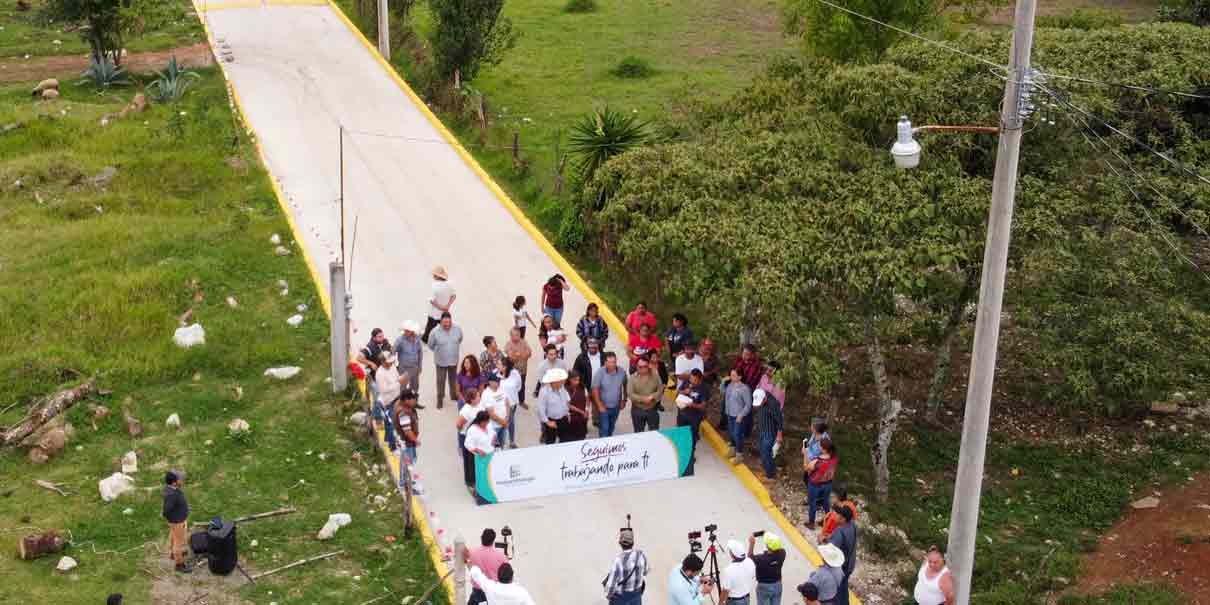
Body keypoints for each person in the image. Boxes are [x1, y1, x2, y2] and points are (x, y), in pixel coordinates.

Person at [603, 528, 649, 605]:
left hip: (620, 599)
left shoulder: (618, 561)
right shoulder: (641, 555)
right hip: (636, 597)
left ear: (620, 543)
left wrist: (608, 594)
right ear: (633, 542)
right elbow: (646, 571)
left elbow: (610, 588)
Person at [427, 312, 463, 409]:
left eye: (449, 323)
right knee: (440, 380)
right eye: (445, 323)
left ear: (451, 321)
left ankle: (453, 395)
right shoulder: (434, 332)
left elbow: (460, 339)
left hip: (453, 360)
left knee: (453, 379)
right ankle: (440, 398)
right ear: (441, 322)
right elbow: (430, 345)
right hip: (441, 361)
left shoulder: (458, 329)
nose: (447, 325)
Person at [677, 369, 709, 475]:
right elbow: (678, 392)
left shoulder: (704, 389)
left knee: (692, 436)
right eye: (690, 378)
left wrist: (692, 405)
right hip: (682, 414)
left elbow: (703, 407)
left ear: (699, 379)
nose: (692, 381)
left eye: (694, 380)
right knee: (681, 435)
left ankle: (690, 456)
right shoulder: (687, 383)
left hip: (694, 417)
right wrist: (684, 392)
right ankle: (682, 454)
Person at [464, 528, 509, 605]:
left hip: (477, 592)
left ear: (481, 538)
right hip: (493, 592)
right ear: (493, 540)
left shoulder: (472, 552)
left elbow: (464, 557)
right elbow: (507, 574)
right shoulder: (501, 556)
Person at [593, 351, 629, 437]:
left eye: (614, 362)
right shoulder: (600, 373)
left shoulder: (622, 372)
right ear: (605, 363)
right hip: (604, 407)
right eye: (610, 362)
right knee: (604, 428)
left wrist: (624, 400)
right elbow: (595, 389)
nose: (613, 364)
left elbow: (625, 385)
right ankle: (603, 445)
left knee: (611, 427)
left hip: (616, 407)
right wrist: (599, 405)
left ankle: (609, 443)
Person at [827, 505, 858, 605]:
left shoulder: (839, 532)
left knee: (838, 590)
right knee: (843, 587)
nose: (835, 516)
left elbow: (830, 551)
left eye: (838, 515)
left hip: (841, 567)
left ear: (843, 519)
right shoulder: (853, 525)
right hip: (850, 564)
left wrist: (822, 541)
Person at [804, 439, 838, 530]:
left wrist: (805, 454)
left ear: (824, 449)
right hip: (828, 484)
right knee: (825, 501)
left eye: (820, 445)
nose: (818, 447)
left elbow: (806, 468)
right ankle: (828, 520)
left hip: (815, 485)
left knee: (813, 503)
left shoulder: (817, 461)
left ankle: (811, 523)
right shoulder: (834, 458)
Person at [162, 470, 190, 573]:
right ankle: (179, 564)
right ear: (174, 482)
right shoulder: (172, 495)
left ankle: (172, 554)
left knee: (174, 536)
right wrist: (174, 520)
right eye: (180, 479)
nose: (182, 480)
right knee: (179, 543)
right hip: (177, 522)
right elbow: (166, 510)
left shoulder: (172, 489)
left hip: (176, 521)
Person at [753, 389, 784, 481]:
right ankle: (768, 469)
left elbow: (779, 420)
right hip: (762, 429)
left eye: (760, 403)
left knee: (766, 452)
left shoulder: (773, 404)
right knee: (762, 451)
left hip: (770, 432)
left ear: (765, 399)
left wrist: (779, 435)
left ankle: (770, 475)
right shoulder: (760, 394)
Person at [463, 410, 495, 498]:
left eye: (488, 422)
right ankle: (476, 490)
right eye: (485, 422)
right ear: (480, 421)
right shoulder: (472, 430)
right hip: (478, 457)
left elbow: (493, 433)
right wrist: (478, 450)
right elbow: (467, 444)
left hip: (490, 454)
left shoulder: (489, 425)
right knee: (478, 475)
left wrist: (494, 438)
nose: (487, 424)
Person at [469, 563, 536, 605]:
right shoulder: (521, 592)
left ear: (498, 576)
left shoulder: (490, 588)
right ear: (512, 577)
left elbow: (475, 573)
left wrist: (468, 561)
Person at [394, 320, 425, 409]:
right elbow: (393, 352)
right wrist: (396, 366)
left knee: (415, 386)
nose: (406, 332)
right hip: (404, 368)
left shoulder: (417, 339)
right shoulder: (400, 340)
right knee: (402, 388)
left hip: (414, 367)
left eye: (408, 330)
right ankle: (401, 406)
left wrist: (420, 366)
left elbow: (420, 352)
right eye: (405, 330)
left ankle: (414, 403)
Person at [724, 368, 753, 462]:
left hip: (738, 415)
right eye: (731, 375)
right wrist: (723, 382)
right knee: (731, 433)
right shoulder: (729, 385)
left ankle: (739, 454)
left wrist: (741, 415)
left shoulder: (744, 389)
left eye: (733, 375)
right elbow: (722, 392)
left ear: (740, 377)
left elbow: (748, 405)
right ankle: (733, 449)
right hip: (729, 413)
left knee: (737, 434)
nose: (731, 377)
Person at [374, 353, 403, 448]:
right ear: (382, 362)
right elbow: (384, 390)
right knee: (391, 423)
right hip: (388, 401)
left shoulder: (393, 367)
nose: (391, 363)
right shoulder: (379, 374)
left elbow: (397, 377)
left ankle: (388, 439)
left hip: (397, 397)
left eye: (391, 362)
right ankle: (392, 445)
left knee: (389, 422)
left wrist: (400, 380)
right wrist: (398, 383)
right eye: (388, 362)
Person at [536, 368, 572, 444]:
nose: (563, 382)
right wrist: (547, 422)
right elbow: (540, 409)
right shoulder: (544, 392)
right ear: (555, 382)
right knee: (550, 442)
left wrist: (567, 413)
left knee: (565, 441)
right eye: (561, 380)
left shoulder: (562, 388)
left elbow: (565, 401)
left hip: (563, 419)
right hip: (551, 421)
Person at [749, 532, 786, 605]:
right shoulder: (782, 554)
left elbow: (750, 557)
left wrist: (752, 543)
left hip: (764, 587)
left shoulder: (761, 559)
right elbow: (778, 547)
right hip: (777, 584)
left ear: (767, 546)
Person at [720, 539, 757, 605]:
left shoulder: (729, 570)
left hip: (734, 601)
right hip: (746, 598)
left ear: (732, 554)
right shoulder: (750, 561)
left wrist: (721, 602)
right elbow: (752, 577)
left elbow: (725, 590)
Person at [425, 265, 456, 343]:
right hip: (445, 312)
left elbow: (432, 300)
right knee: (445, 327)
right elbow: (453, 296)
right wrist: (447, 306)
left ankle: (427, 339)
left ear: (436, 276)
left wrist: (440, 307)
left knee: (430, 327)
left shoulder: (434, 286)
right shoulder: (449, 284)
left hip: (434, 313)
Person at [356, 328, 391, 395]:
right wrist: (371, 363)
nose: (382, 338)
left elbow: (391, 351)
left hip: (385, 375)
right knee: (377, 396)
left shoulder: (385, 343)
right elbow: (359, 358)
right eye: (380, 337)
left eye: (383, 336)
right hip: (373, 376)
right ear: (374, 338)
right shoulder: (370, 347)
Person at [498, 358, 524, 448]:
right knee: (501, 422)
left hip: (512, 403)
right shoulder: (496, 374)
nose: (497, 366)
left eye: (499, 364)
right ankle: (501, 442)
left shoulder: (515, 373)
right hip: (499, 404)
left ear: (505, 367)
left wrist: (512, 394)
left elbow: (519, 386)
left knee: (511, 421)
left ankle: (511, 441)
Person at [504, 328, 533, 408]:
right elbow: (511, 358)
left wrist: (519, 354)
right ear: (511, 336)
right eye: (515, 335)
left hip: (523, 370)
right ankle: (511, 401)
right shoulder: (508, 344)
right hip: (512, 371)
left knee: (522, 385)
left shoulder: (524, 342)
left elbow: (529, 353)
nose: (517, 337)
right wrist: (522, 355)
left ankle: (521, 401)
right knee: (512, 386)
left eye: (518, 335)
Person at [482, 372, 511, 448]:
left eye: (499, 380)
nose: (498, 382)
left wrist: (507, 418)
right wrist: (503, 422)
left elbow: (507, 403)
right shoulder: (486, 394)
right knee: (492, 447)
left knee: (502, 445)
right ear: (490, 382)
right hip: (493, 427)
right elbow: (491, 414)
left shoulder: (501, 390)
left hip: (504, 424)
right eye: (496, 380)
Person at [392, 390, 421, 465]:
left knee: (406, 465)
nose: (415, 402)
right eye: (413, 399)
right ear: (406, 400)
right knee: (409, 467)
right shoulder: (403, 413)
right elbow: (407, 431)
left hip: (404, 443)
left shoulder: (399, 404)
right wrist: (415, 440)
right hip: (407, 444)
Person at [566, 371, 591, 441]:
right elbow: (568, 405)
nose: (577, 382)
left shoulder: (583, 387)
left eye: (578, 380)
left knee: (582, 436)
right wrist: (582, 412)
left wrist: (587, 409)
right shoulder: (565, 390)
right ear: (570, 379)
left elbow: (587, 399)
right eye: (575, 380)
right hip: (571, 418)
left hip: (582, 418)